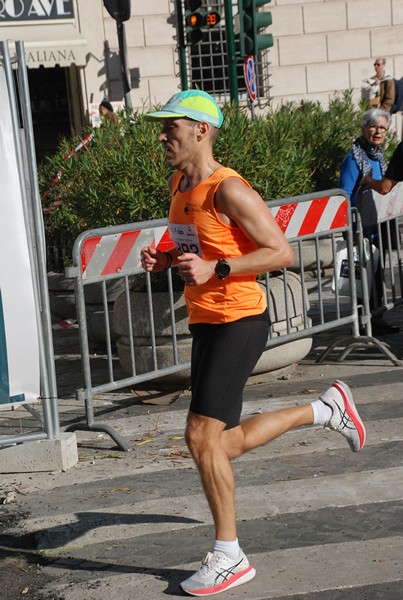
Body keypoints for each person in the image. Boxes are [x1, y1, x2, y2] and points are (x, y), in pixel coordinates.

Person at [140, 89, 366, 597]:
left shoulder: (229, 189)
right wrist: (167, 257)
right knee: (222, 443)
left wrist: (217, 268)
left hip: (240, 320)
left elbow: (280, 252)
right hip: (207, 319)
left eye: (169, 127)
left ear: (200, 130)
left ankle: (229, 555)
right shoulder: (180, 182)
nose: (161, 135)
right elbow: (195, 241)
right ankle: (325, 410)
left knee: (200, 437)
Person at [340, 108, 399, 335]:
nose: (378, 131)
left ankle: (377, 318)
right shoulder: (353, 158)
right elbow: (344, 195)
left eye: (382, 127)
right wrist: (351, 229)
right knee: (363, 278)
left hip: (376, 228)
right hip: (359, 228)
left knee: (376, 275)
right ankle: (365, 322)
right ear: (364, 128)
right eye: (373, 126)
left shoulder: (377, 155)